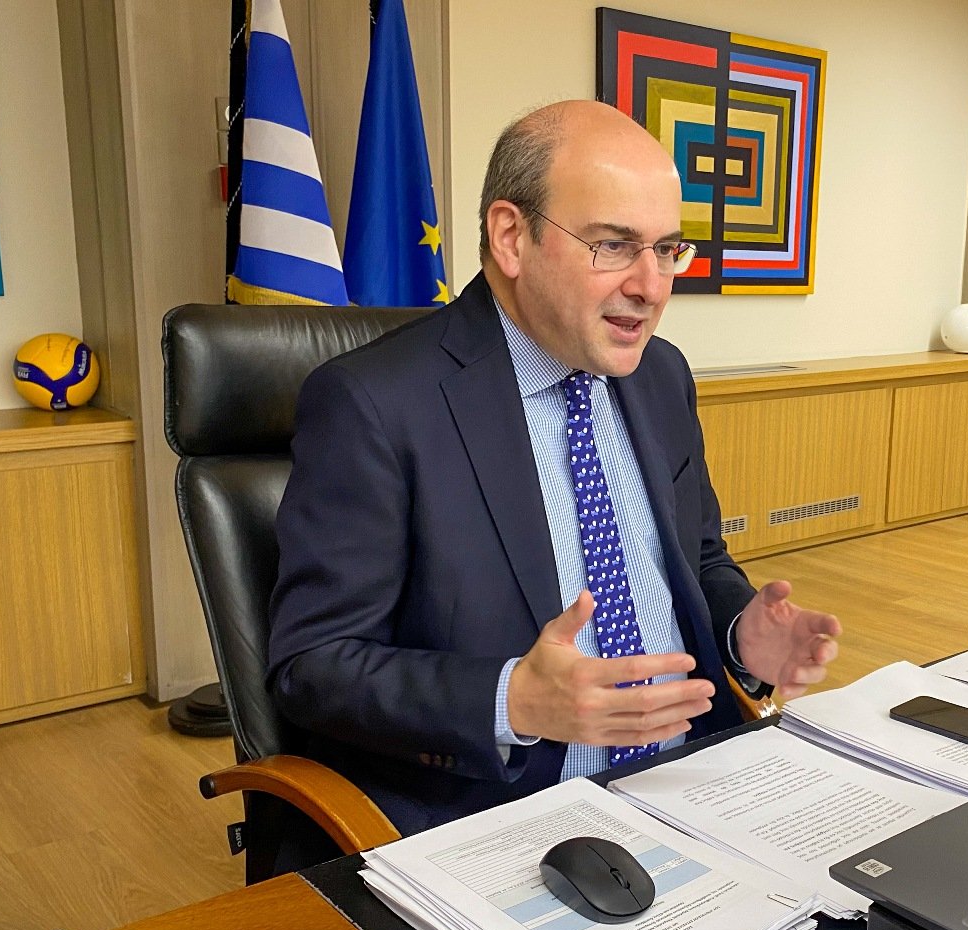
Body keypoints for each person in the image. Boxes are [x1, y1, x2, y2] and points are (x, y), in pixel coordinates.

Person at [267, 100, 841, 853]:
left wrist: (742, 636)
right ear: (511, 237)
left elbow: (698, 562)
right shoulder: (374, 403)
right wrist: (513, 699)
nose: (652, 287)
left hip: (695, 779)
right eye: (614, 246)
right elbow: (313, 667)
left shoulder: (660, 375)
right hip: (506, 812)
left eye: (668, 249)